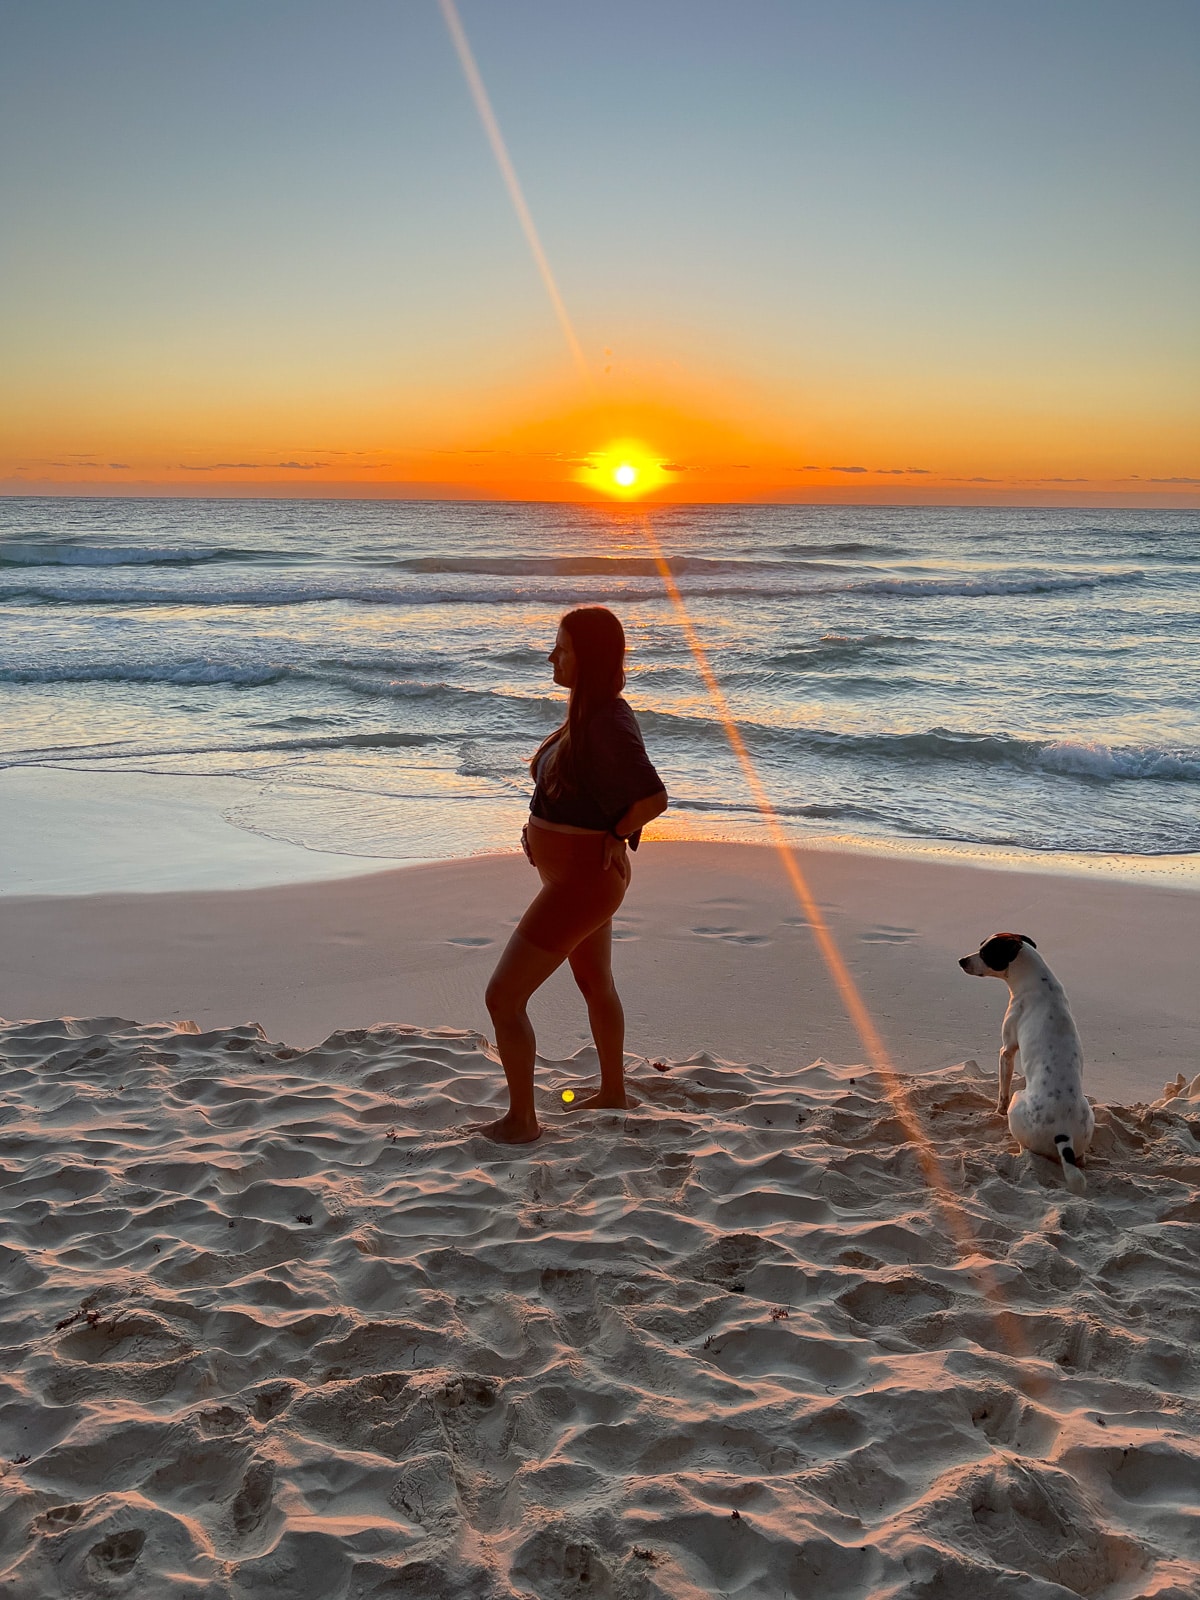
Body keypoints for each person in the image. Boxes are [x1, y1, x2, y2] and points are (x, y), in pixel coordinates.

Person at [479, 606, 668, 1143]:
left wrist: (615, 835)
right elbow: (575, 790)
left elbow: (653, 797)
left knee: (503, 998)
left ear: (588, 656)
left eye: (560, 647)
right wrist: (538, 826)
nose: (550, 656)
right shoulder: (589, 713)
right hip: (575, 882)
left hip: (581, 885)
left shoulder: (607, 720)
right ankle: (613, 1093)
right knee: (595, 984)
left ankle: (522, 1122)